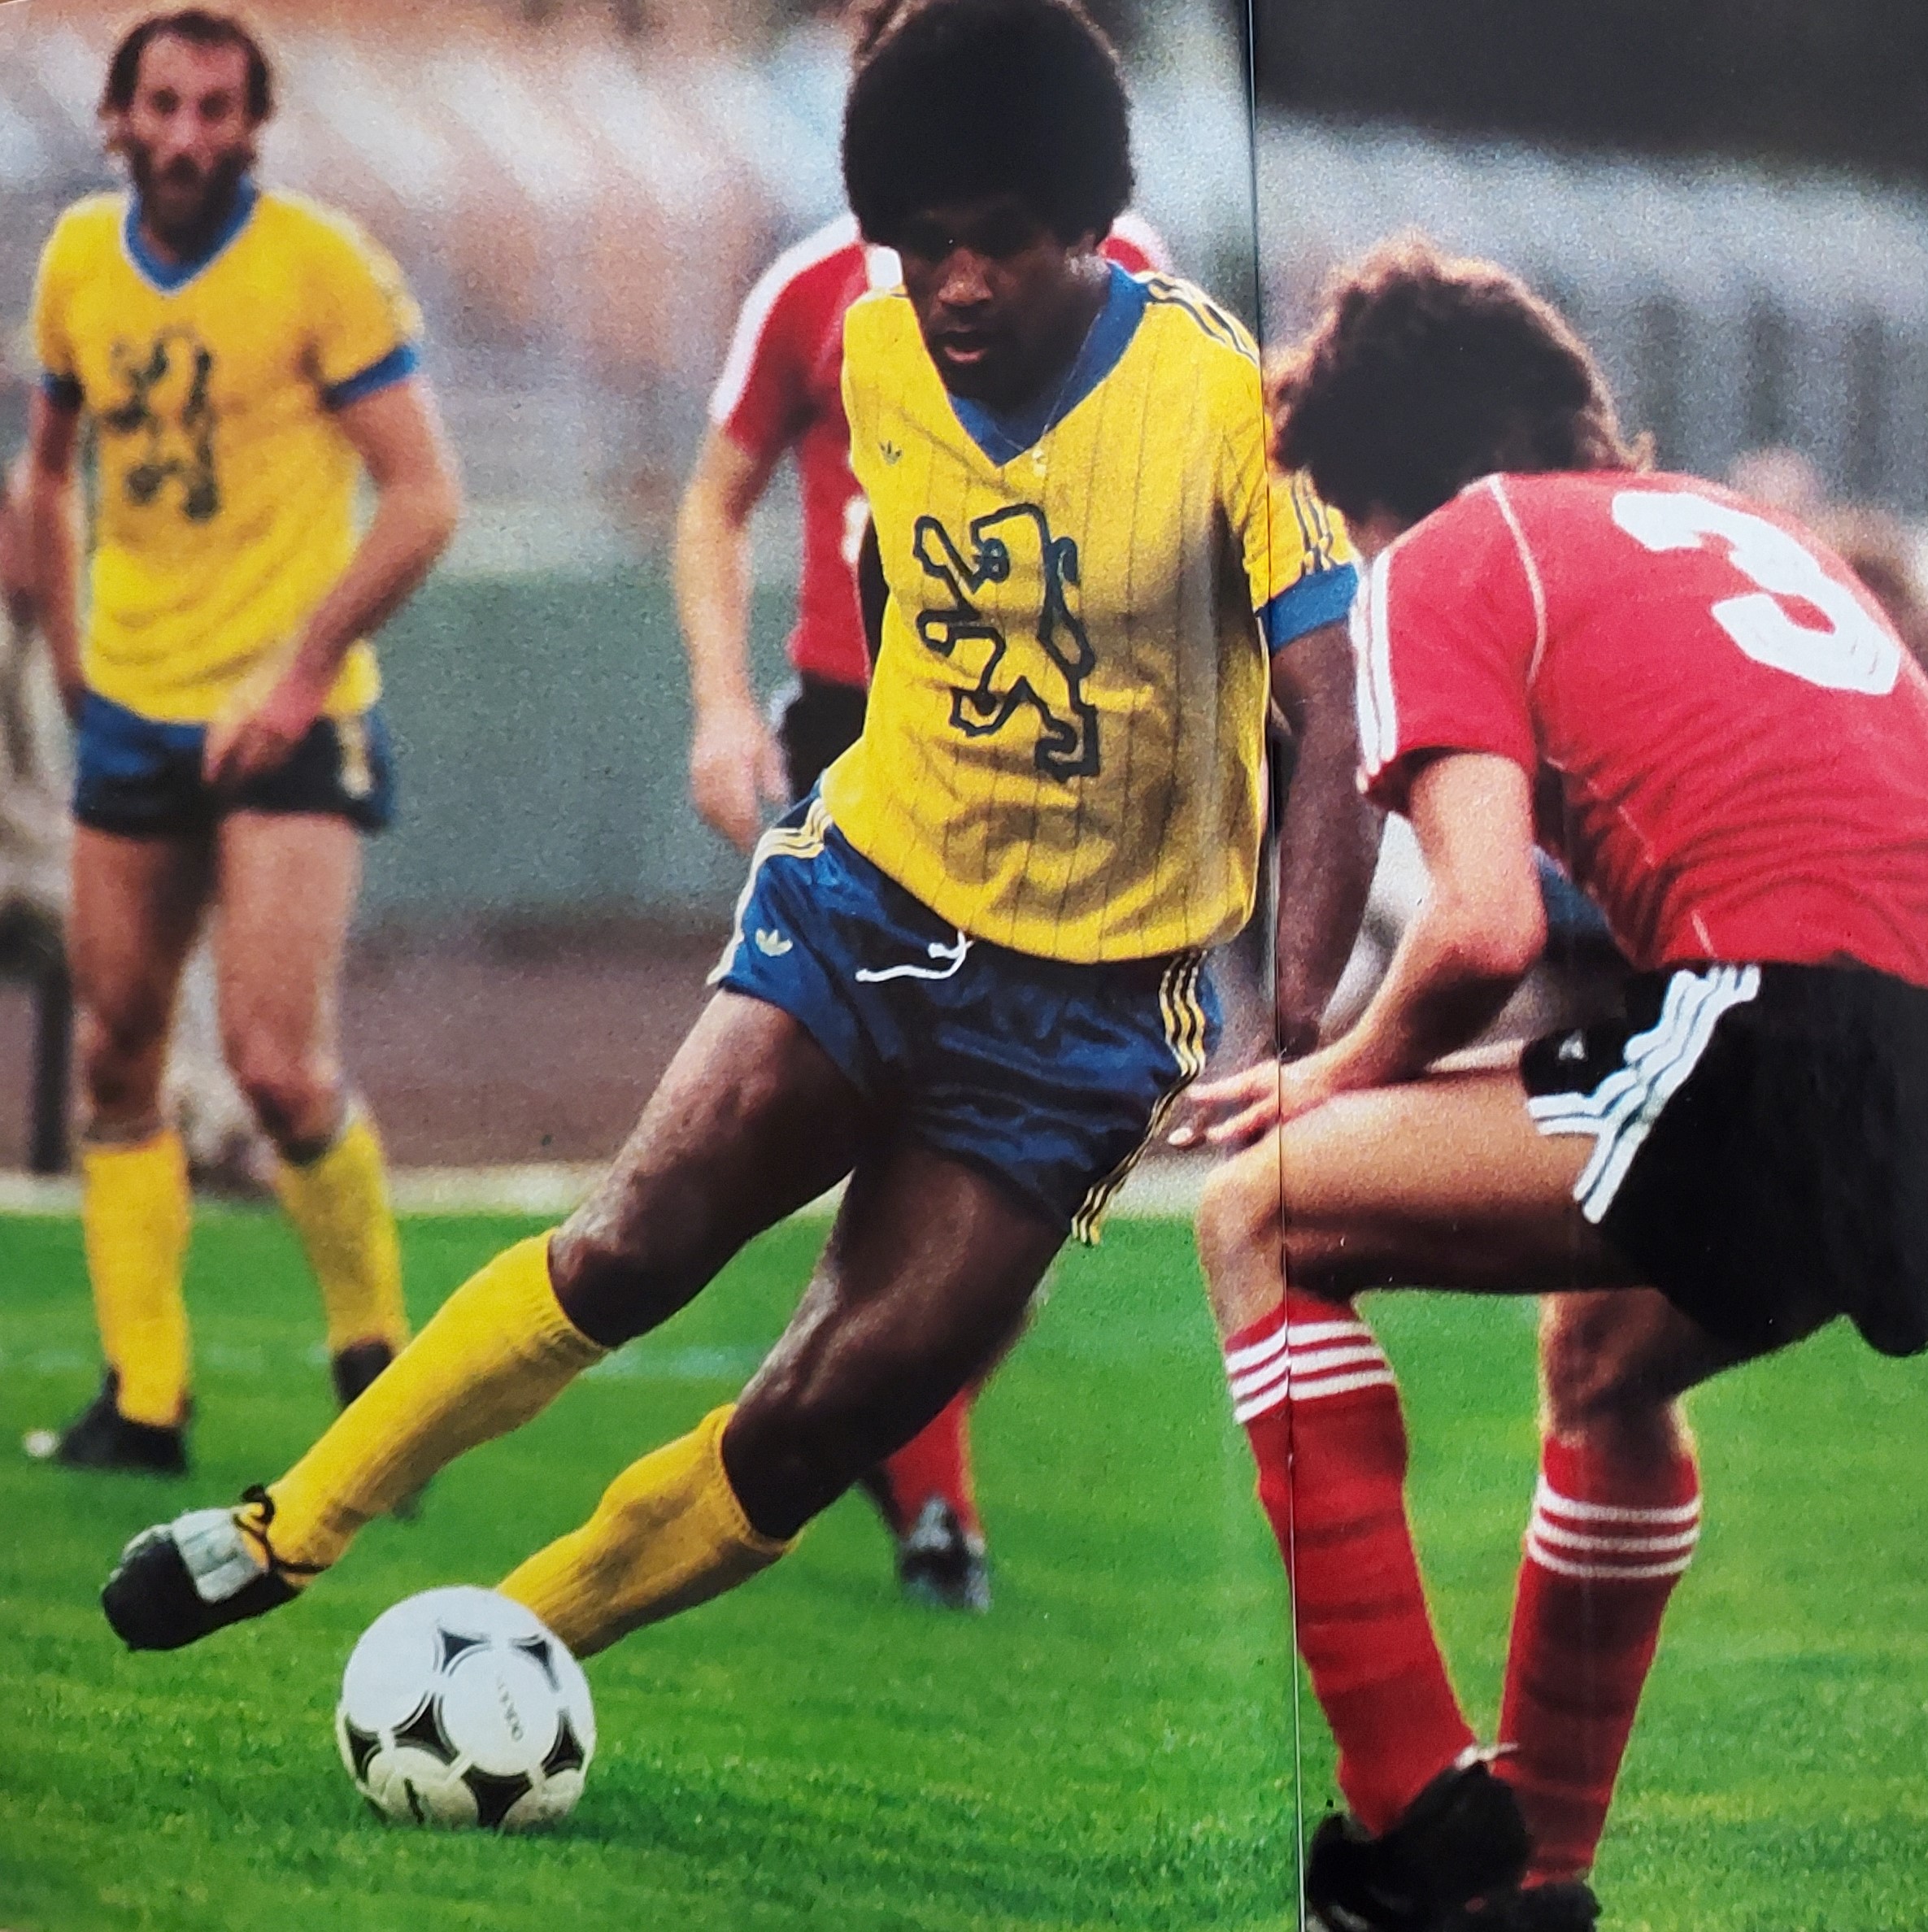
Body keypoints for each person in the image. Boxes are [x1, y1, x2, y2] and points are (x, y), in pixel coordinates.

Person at [103, 0, 1373, 1675]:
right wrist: (791, 730)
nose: (956, 283)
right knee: (628, 1244)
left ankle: (504, 1655)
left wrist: (1297, 1023)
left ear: (1082, 222)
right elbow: (876, 577)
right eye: (921, 243)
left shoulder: (1222, 401)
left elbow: (1332, 714)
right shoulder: (870, 346)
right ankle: (287, 1527)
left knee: (816, 1419)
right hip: (875, 901)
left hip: (1089, 1013)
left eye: (995, 244)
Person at [1173, 242, 1928, 1930]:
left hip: (1801, 1034)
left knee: (1258, 1211)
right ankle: (1535, 1881)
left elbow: (1480, 925)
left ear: (1387, 477)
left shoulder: (1453, 551)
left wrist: (1331, 1076)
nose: (1357, 557)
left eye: (1350, 515)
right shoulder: (1731, 522)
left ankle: (1418, 1826)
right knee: (1603, 1363)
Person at [671, 0, 1174, 1615]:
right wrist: (721, 705)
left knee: (1017, 1187)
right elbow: (716, 498)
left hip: (1045, 760)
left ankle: (887, 1432)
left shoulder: (1118, 271)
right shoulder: (811, 286)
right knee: (896, 1132)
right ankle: (929, 1501)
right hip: (860, 735)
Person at [15, 9, 461, 1475]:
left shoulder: (321, 265)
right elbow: (47, 473)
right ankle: (145, 1400)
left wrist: (299, 671)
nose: (188, 134)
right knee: (115, 1056)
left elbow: (423, 496)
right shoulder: (78, 260)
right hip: (133, 707)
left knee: (274, 1069)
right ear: (119, 119)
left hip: (289, 719)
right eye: (164, 105)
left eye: (217, 108)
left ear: (255, 127)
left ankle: (375, 1363)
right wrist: (73, 660)